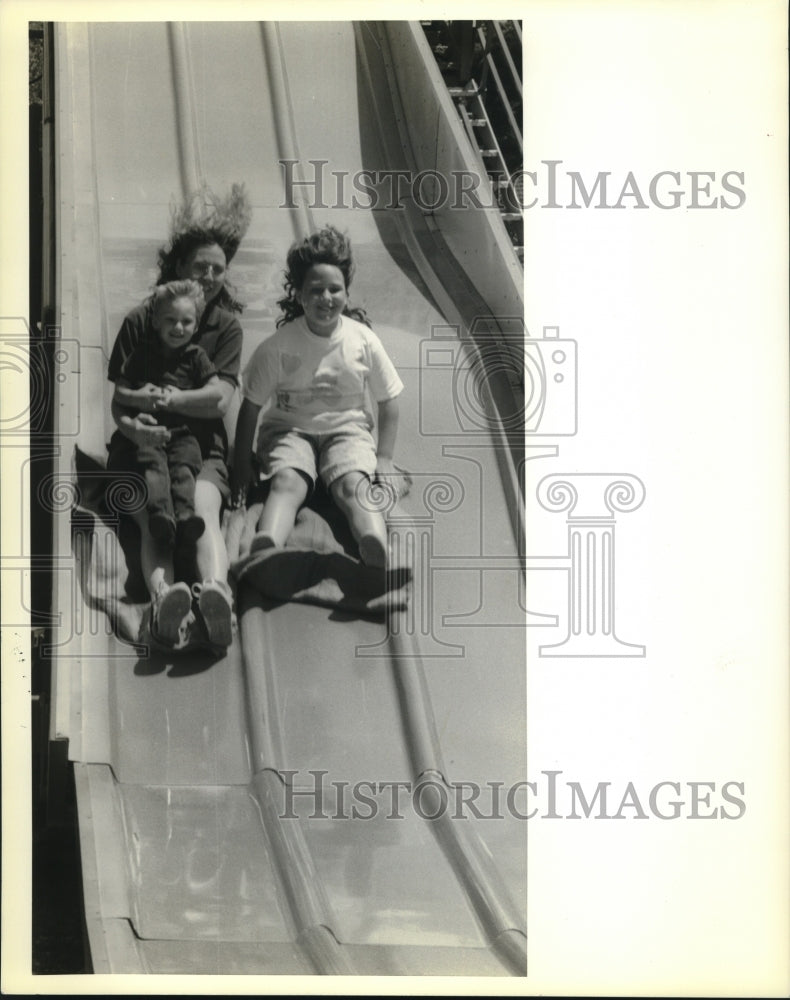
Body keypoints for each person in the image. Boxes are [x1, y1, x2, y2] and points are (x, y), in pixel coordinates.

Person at [107, 183, 251, 648]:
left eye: (217, 269)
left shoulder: (224, 327)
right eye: (199, 267)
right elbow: (121, 399)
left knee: (205, 510)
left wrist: (166, 401)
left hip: (200, 446)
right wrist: (134, 427)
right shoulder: (140, 321)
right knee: (155, 516)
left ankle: (215, 595)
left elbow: (219, 401)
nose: (209, 276)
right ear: (179, 268)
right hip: (142, 444)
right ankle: (164, 598)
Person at [231, 225, 403, 569]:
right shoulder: (278, 347)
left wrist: (383, 457)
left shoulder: (362, 340)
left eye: (334, 289)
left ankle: (374, 542)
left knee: (352, 485)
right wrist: (241, 463)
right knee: (286, 482)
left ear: (347, 293)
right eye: (315, 290)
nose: (326, 298)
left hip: (347, 430)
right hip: (289, 430)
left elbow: (389, 400)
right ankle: (268, 545)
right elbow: (250, 406)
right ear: (298, 294)